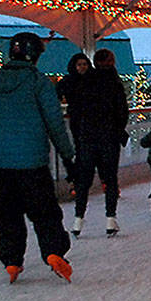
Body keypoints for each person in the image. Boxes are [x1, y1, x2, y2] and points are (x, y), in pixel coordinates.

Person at [0, 31, 77, 283]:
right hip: (33, 165)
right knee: (45, 214)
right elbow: (55, 125)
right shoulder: (38, 83)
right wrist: (69, 159)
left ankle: (12, 261)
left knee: (7, 217)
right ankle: (53, 252)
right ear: (34, 55)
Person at [59, 48, 129, 237]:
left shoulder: (86, 82)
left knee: (84, 180)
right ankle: (110, 219)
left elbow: (77, 108)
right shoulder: (114, 83)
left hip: (87, 139)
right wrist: (116, 130)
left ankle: (78, 220)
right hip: (108, 139)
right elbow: (123, 111)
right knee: (110, 178)